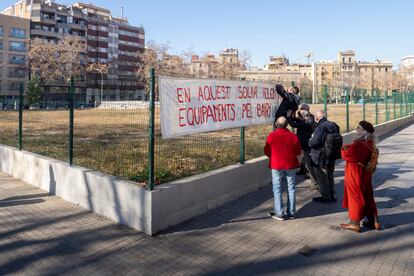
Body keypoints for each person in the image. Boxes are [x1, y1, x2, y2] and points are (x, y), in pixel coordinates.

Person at [340, 121, 380, 232]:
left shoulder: (359, 144)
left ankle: (355, 223)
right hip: (365, 173)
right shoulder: (370, 142)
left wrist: (344, 147)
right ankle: (373, 220)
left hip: (355, 172)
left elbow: (346, 154)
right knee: (367, 196)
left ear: (364, 131)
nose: (356, 129)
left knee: (355, 197)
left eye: (359, 128)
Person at [264, 116, 302, 220]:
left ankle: (279, 212)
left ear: (276, 124)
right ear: (287, 124)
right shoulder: (293, 136)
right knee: (291, 188)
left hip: (276, 165)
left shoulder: (272, 136)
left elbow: (267, 151)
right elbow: (298, 151)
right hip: (290, 165)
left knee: (277, 188)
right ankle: (291, 212)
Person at [309, 110, 340, 203]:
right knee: (330, 175)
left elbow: (315, 142)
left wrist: (309, 141)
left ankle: (325, 196)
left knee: (322, 176)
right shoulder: (334, 125)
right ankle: (332, 194)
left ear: (316, 118)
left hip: (321, 156)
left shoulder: (320, 127)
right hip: (332, 154)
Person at [287, 106, 319, 191]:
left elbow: (295, 124)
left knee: (310, 165)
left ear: (304, 114)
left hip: (307, 145)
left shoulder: (308, 122)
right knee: (308, 163)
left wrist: (288, 117)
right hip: (307, 145)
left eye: (300, 114)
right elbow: (299, 121)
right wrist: (292, 117)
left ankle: (315, 184)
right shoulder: (309, 118)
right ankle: (315, 181)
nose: (299, 116)